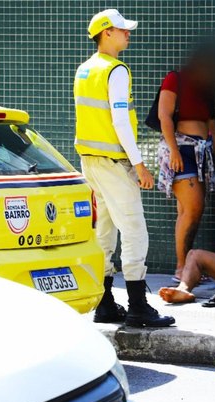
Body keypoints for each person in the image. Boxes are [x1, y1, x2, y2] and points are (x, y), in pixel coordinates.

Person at [74, 9, 174, 328]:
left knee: (104, 232)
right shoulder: (115, 70)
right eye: (122, 29)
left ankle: (104, 304)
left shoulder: (85, 70)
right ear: (106, 33)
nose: (128, 34)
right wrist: (140, 165)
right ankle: (138, 306)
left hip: (90, 162)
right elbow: (120, 121)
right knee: (134, 232)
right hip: (114, 164)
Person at [156, 50, 215, 280]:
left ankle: (189, 266)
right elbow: (164, 116)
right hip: (180, 148)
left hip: (202, 151)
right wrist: (175, 151)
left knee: (188, 211)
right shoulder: (175, 79)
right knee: (193, 208)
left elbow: (211, 125)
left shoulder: (207, 90)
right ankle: (181, 267)